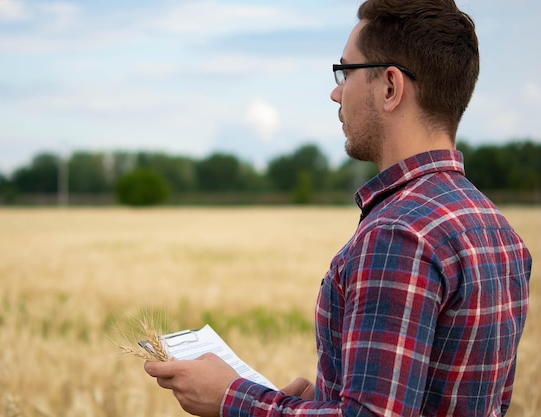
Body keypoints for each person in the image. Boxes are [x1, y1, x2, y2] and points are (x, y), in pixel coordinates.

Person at [144, 0, 533, 415]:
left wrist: (230, 399)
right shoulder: (496, 228)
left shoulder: (399, 234)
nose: (335, 91)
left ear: (390, 87)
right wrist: (320, 401)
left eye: (346, 72)